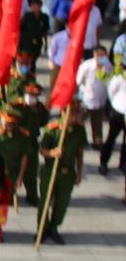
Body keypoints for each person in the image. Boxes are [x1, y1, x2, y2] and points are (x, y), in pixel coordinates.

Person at [37, 104, 87, 245]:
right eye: (72, 113)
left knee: (61, 204)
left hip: (67, 173)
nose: (75, 117)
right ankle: (42, 229)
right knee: (45, 202)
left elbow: (80, 152)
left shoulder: (79, 130)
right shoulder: (53, 128)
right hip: (50, 170)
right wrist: (52, 153)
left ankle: (54, 228)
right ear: (64, 113)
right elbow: (42, 149)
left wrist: (79, 173)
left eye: (77, 114)